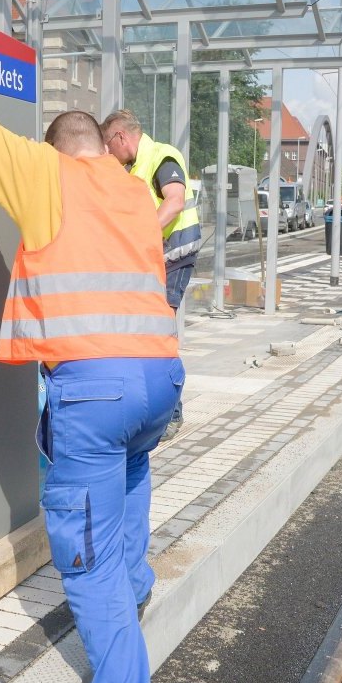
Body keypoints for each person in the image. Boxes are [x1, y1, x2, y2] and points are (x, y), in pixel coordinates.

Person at [0, 5, 183, 683]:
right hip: (158, 383)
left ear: (55, 148)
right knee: (130, 497)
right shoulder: (130, 190)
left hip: (94, 389)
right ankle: (136, 592)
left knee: (86, 568)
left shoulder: (46, 172)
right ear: (100, 145)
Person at [100, 109, 199, 440]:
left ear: (120, 137)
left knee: (160, 334)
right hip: (157, 258)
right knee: (148, 332)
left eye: (108, 147)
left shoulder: (161, 157)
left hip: (175, 255)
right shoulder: (137, 165)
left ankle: (172, 412)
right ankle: (157, 405)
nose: (110, 156)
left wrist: (137, 236)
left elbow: (174, 203)